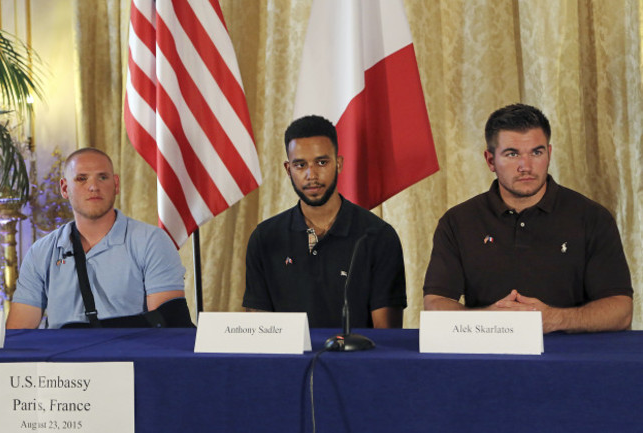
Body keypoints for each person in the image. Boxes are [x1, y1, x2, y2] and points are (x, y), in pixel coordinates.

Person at [423, 103, 633, 333]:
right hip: (487, 358)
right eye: (512, 154)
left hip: (572, 361)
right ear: (490, 160)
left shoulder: (593, 218)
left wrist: (554, 319)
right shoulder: (458, 222)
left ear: (549, 154)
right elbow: (436, 303)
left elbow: (621, 311)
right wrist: (488, 321)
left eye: (536, 152)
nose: (526, 166)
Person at [242, 115, 406, 328]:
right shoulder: (265, 238)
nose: (311, 174)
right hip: (288, 362)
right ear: (288, 169)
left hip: (355, 361)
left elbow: (386, 339)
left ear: (338, 164)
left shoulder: (378, 236)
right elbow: (259, 333)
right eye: (300, 165)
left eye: (321, 162)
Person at [6, 148, 190, 329]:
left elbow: (166, 327)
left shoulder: (152, 241)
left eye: (103, 177)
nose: (94, 186)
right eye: (81, 178)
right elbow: (18, 334)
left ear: (116, 184)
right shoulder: (41, 252)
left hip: (130, 357)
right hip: (63, 359)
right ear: (64, 188)